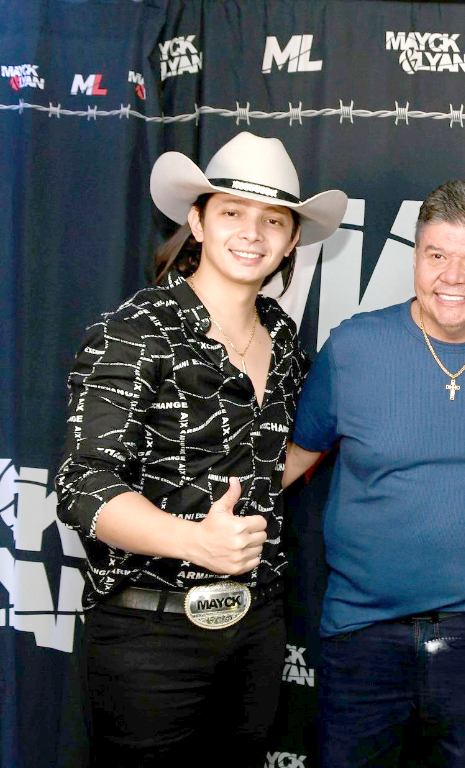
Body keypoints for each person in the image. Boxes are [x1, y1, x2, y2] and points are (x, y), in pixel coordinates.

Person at [55, 131, 348, 766]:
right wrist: (193, 541)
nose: (252, 233)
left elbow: (275, 458)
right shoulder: (135, 332)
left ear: (292, 239)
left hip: (256, 630)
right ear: (197, 220)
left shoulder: (284, 338)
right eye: (232, 213)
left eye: (273, 220)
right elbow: (84, 489)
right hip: (147, 637)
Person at [283, 179, 465, 767]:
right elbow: (290, 462)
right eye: (436, 255)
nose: (451, 278)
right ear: (416, 257)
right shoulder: (353, 347)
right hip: (362, 636)